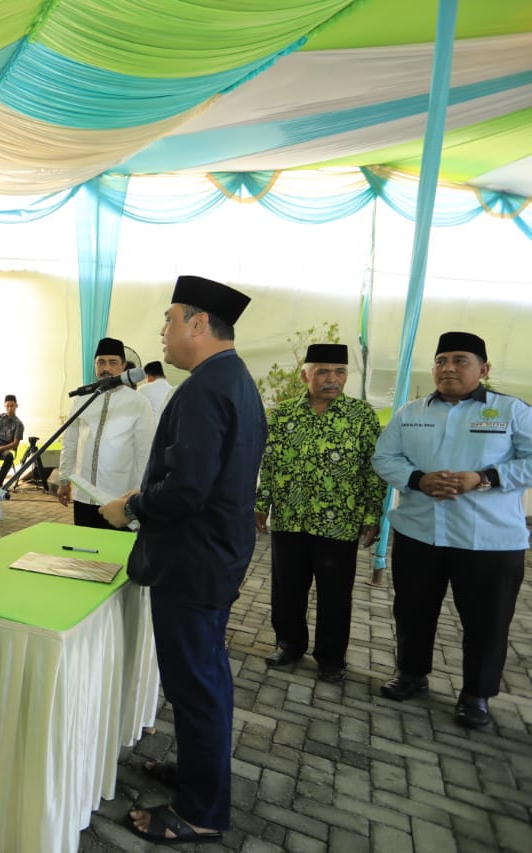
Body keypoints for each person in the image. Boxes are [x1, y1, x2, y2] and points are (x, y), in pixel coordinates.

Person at [101, 275, 265, 843]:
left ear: (198, 323)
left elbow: (187, 490)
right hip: (215, 555)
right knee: (205, 680)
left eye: (170, 320)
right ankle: (201, 778)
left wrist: (133, 506)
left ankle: (200, 812)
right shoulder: (232, 380)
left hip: (193, 561)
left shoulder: (202, 390)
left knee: (197, 686)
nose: (163, 333)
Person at [371, 331, 531, 729]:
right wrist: (417, 479)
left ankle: (476, 694)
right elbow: (384, 455)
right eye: (442, 360)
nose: (449, 368)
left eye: (461, 360)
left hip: (489, 541)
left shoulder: (511, 411)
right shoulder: (412, 411)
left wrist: (484, 477)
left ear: (484, 369)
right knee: (412, 611)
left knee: (486, 621)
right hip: (420, 533)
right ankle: (411, 675)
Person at [255, 344, 384, 683]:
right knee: (287, 588)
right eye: (323, 372)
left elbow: (374, 470)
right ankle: (289, 644)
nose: (333, 379)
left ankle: (330, 658)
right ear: (305, 375)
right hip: (289, 517)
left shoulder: (362, 416)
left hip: (339, 521)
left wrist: (373, 515)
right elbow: (268, 463)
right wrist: (261, 504)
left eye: (339, 372)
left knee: (335, 593)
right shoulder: (283, 415)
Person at [57, 337, 155, 529]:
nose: (106, 368)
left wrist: (139, 493)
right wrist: (64, 479)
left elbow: (145, 453)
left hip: (119, 497)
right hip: (83, 495)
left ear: (123, 366)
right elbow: (70, 442)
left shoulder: (138, 403)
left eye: (113, 362)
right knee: (83, 554)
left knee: (114, 555)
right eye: (100, 362)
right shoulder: (81, 400)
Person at [0, 394, 23, 489]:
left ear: (16, 406)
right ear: (4, 406)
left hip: (4, 448)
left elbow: (15, 444)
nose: (10, 408)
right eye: (7, 406)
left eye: (12, 405)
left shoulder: (18, 424)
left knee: (9, 456)